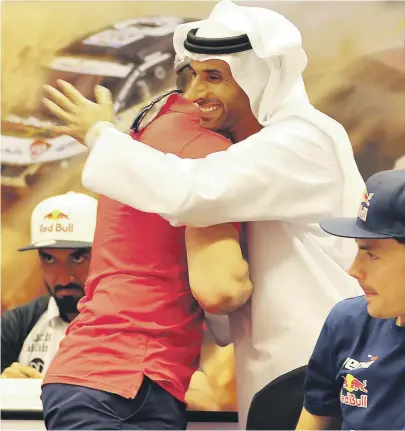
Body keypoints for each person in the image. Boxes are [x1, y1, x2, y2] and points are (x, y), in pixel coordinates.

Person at [42, 1, 364, 427]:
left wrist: (101, 135)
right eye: (191, 75)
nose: (194, 95)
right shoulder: (242, 153)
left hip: (318, 367)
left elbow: (191, 192)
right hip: (277, 375)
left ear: (260, 78)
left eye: (214, 76)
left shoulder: (302, 139)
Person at [40, 67, 252, 430]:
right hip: (125, 380)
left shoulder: (142, 138)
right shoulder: (206, 150)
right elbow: (221, 290)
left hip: (105, 377)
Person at [296, 169, 405, 430]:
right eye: (358, 250)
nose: (354, 270)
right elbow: (313, 420)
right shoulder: (347, 323)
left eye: (372, 255)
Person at [1, 191, 97, 378]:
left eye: (77, 258)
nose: (62, 278)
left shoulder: (130, 325)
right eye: (49, 259)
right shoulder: (20, 324)